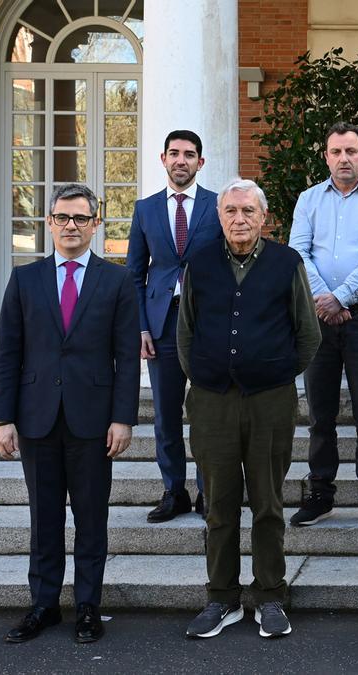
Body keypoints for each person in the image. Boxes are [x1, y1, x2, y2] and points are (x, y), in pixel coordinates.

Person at [0, 183, 139, 644]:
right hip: (36, 418)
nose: (70, 226)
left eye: (80, 218)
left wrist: (124, 417)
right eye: (62, 218)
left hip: (94, 421)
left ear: (96, 224)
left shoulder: (116, 281)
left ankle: (89, 606)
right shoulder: (25, 279)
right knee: (45, 518)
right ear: (49, 223)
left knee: (92, 518)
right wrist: (1, 419)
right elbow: (8, 353)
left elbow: (126, 356)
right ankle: (44, 605)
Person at [180, 179, 321, 640]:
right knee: (218, 505)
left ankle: (270, 597)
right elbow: (186, 334)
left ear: (264, 218)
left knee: (267, 503)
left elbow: (308, 335)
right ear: (219, 216)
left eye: (248, 211)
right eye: (230, 211)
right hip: (212, 402)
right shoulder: (199, 264)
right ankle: (221, 598)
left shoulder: (287, 263)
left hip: (270, 403)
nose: (238, 219)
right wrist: (206, 375)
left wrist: (275, 373)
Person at [289, 122, 358, 528]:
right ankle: (321, 493)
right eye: (336, 152)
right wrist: (326, 301)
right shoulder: (308, 200)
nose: (343, 159)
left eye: (351, 151)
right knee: (320, 413)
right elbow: (298, 253)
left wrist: (342, 297)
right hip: (318, 318)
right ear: (326, 156)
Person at [126, 129, 222, 522]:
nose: (181, 160)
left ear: (201, 162)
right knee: (166, 414)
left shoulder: (218, 206)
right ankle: (174, 492)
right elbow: (134, 274)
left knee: (206, 412)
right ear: (162, 159)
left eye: (189, 154)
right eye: (174, 154)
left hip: (206, 324)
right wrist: (140, 327)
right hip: (161, 324)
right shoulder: (145, 209)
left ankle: (207, 492)